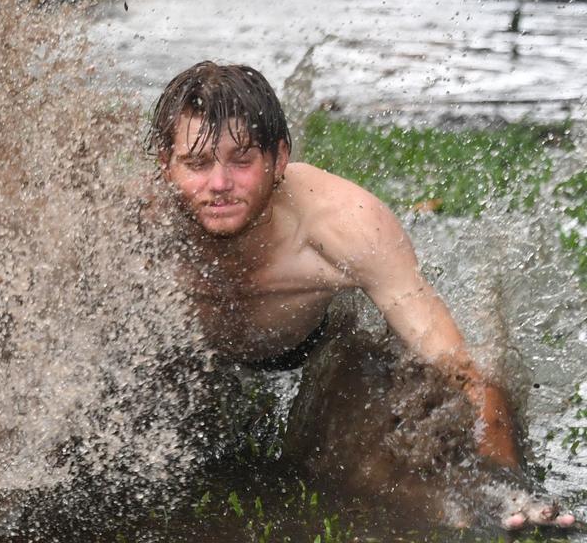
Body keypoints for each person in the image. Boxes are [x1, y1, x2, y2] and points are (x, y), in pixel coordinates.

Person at [144, 60, 576, 531]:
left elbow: (457, 367)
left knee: (400, 406)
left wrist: (505, 480)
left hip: (308, 343)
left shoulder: (346, 223)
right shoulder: (134, 229)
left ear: (279, 158)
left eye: (242, 160)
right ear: (166, 165)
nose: (220, 184)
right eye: (197, 163)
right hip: (191, 345)